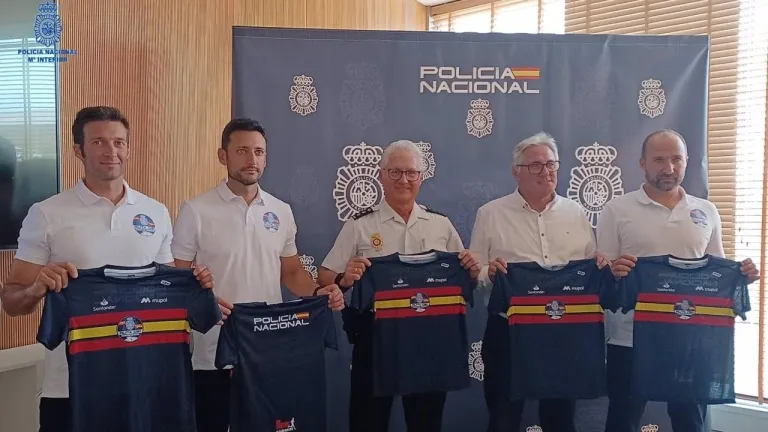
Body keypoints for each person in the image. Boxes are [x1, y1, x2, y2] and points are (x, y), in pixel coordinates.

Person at [0, 106, 214, 432]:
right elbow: (12, 302)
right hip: (71, 387)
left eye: (119, 142)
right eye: (98, 142)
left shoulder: (155, 212)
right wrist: (36, 288)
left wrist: (196, 282)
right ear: (78, 150)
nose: (111, 151)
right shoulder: (46, 214)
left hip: (148, 383)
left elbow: (166, 288)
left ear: (128, 148)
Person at [170, 118, 345, 432]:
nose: (251, 159)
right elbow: (178, 278)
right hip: (214, 347)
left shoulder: (281, 210)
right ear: (223, 156)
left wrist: (317, 292)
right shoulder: (195, 210)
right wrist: (203, 302)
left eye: (259, 152)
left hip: (268, 346)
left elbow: (291, 271)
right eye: (242, 151)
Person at [597, 129, 759, 432]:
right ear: (643, 163)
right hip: (630, 337)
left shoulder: (706, 210)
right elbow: (603, 275)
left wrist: (741, 278)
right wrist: (615, 271)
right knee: (622, 420)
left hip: (690, 337)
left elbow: (713, 274)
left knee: (690, 422)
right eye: (659, 160)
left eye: (676, 159)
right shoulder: (616, 210)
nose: (668, 168)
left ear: (687, 162)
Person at [318, 139, 481, 432]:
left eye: (411, 173)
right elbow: (325, 275)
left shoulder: (440, 224)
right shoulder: (360, 225)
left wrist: (471, 272)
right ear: (381, 176)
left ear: (421, 177)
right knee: (368, 422)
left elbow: (464, 279)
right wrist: (344, 279)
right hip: (375, 337)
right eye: (394, 172)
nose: (403, 180)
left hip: (429, 338)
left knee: (426, 423)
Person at [470, 132, 609, 432]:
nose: (545, 172)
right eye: (535, 165)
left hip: (564, 331)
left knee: (560, 420)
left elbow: (589, 264)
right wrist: (489, 274)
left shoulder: (576, 212)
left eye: (551, 164)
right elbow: (475, 274)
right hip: (508, 330)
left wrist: (598, 263)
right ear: (516, 171)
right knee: (503, 419)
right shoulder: (491, 214)